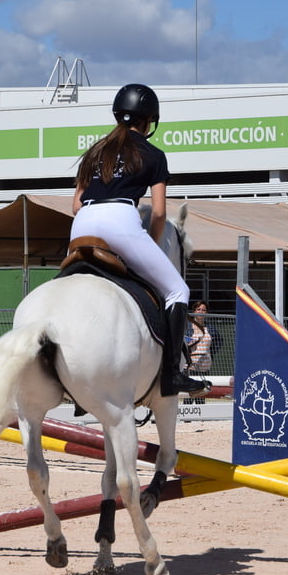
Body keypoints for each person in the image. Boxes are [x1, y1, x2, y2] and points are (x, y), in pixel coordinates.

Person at [70, 83, 209, 399]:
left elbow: (76, 204)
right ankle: (173, 375)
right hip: (121, 220)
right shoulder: (154, 154)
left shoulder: (95, 152)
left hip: (83, 224)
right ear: (149, 121)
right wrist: (152, 244)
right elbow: (158, 213)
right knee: (177, 290)